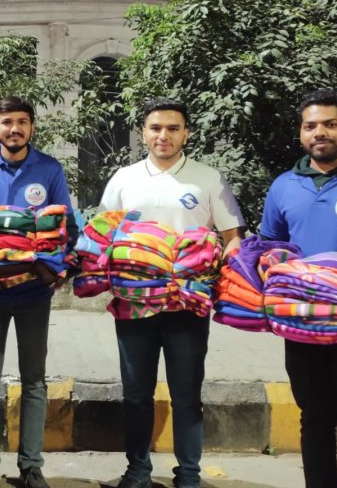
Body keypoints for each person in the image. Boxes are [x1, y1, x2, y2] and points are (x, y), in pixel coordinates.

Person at [99, 98, 245, 488]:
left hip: (188, 306)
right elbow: (103, 234)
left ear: (186, 134)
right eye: (155, 128)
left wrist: (216, 276)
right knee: (136, 395)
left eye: (173, 128)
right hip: (134, 305)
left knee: (187, 395)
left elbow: (233, 237)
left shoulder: (208, 179)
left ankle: (189, 475)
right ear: (144, 132)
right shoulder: (124, 179)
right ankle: (137, 471)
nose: (163, 135)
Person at [0, 96, 78, 488]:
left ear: (32, 127)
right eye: (7, 122)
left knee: (34, 380)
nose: (15, 129)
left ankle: (31, 466)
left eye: (22, 121)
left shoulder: (49, 169)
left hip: (33, 293)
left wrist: (56, 268)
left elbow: (67, 226)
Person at [260, 89, 337, 488]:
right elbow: (272, 247)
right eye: (311, 126)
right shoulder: (284, 186)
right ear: (301, 132)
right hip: (304, 322)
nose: (319, 132)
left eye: (330, 124)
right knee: (314, 421)